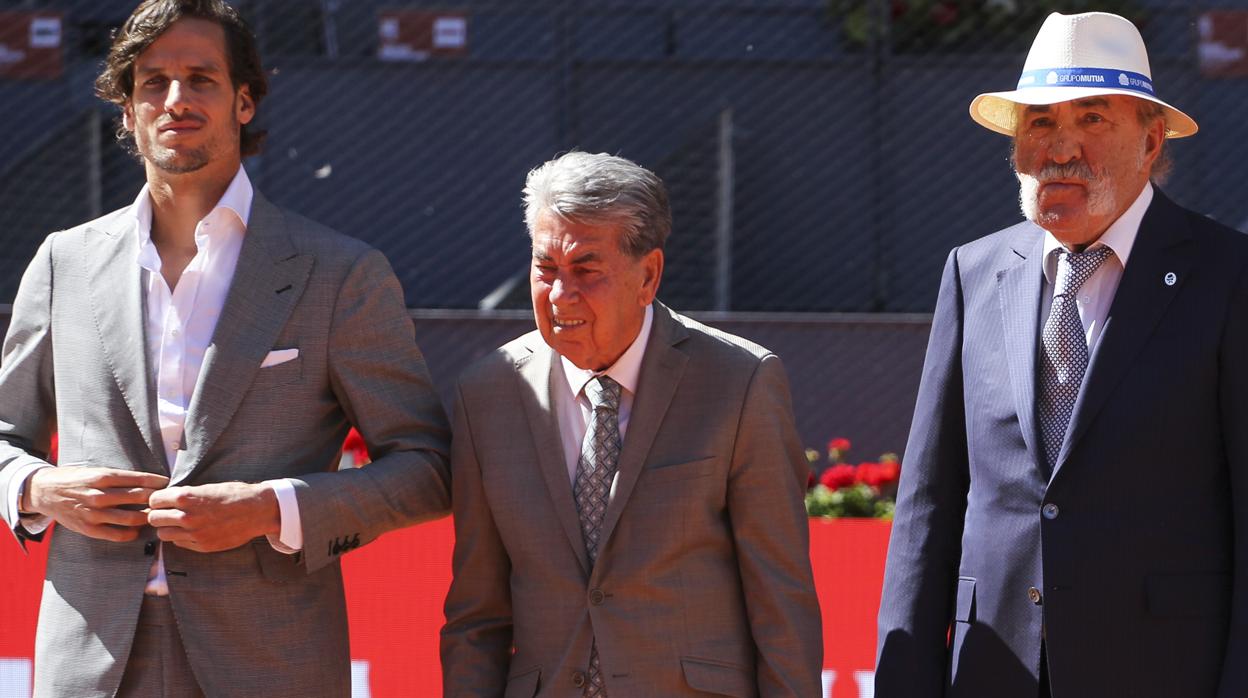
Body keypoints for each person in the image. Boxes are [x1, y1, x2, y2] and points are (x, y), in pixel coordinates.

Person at [0, 1, 451, 695]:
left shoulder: (338, 272)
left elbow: (427, 469)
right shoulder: (64, 261)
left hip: (269, 663)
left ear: (244, 101)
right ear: (126, 110)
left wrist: (272, 509)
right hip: (88, 663)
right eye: (153, 82)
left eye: (201, 78)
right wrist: (40, 489)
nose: (175, 99)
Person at [876, 11, 1248, 698]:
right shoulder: (973, 269)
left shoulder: (1227, 274)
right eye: (1041, 124)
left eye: (1093, 120)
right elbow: (929, 502)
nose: (1060, 149)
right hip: (992, 673)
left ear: (1152, 138)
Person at [440, 151, 823, 696]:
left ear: (648, 275)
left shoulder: (740, 382)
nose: (559, 295)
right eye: (545, 268)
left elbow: (780, 598)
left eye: (586, 271)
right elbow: (477, 618)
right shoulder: (488, 393)